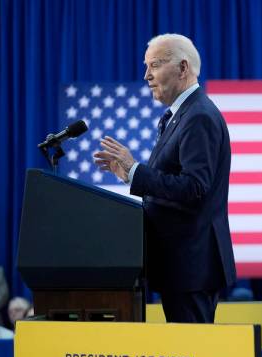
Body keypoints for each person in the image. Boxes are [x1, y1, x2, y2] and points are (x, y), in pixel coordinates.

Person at [94, 34, 235, 323]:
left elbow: (194, 188)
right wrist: (129, 176)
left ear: (183, 68)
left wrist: (136, 170)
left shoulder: (199, 116)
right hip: (181, 265)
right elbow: (174, 183)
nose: (146, 75)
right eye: (146, 66)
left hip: (192, 266)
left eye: (154, 65)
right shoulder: (180, 115)